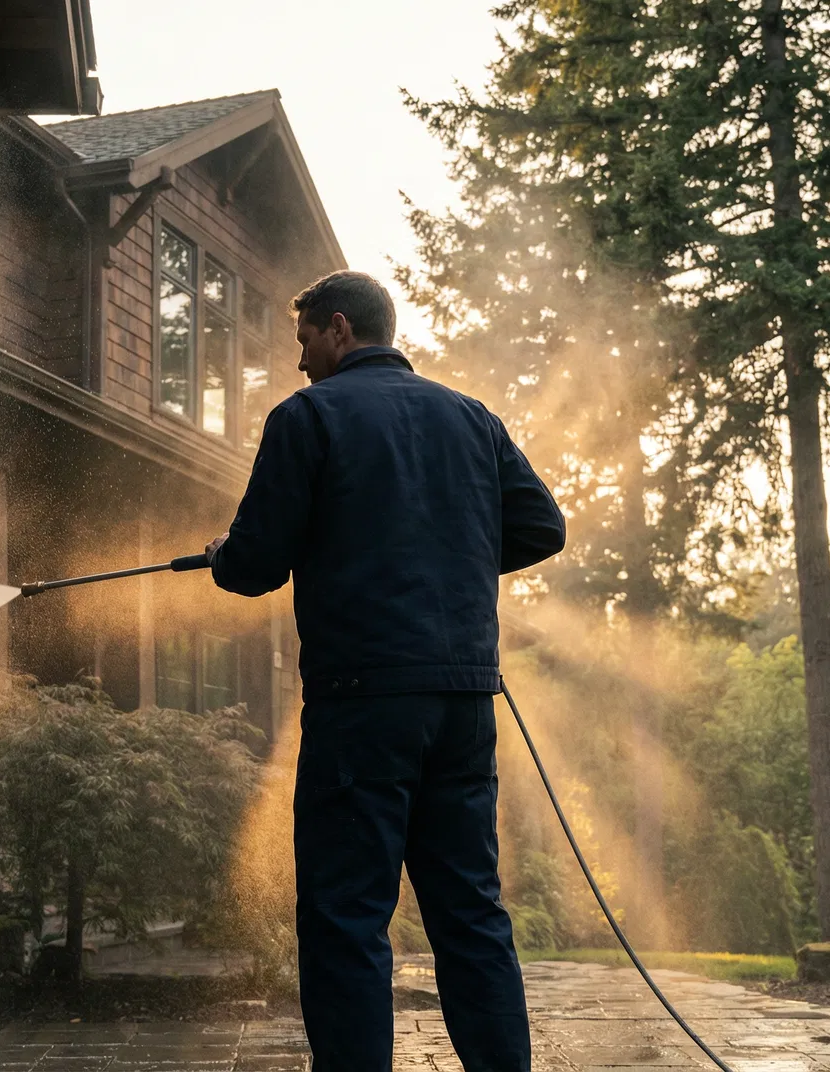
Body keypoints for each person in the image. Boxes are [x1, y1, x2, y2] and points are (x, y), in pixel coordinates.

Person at [206, 270, 565, 1071]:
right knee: (470, 915)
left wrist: (223, 559)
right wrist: (451, 557)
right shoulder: (472, 418)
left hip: (361, 706)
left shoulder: (308, 417)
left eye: (303, 343)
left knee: (346, 919)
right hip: (464, 705)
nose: (300, 364)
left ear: (339, 329)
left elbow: (257, 561)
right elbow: (543, 526)